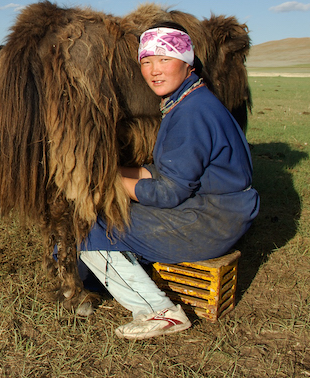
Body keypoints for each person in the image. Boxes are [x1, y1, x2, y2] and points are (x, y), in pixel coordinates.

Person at [79, 22, 260, 340]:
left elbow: (167, 191)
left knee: (93, 227)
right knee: (107, 217)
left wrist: (107, 183)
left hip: (211, 220)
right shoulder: (189, 101)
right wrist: (111, 172)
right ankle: (101, 279)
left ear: (187, 62)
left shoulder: (191, 114)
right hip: (217, 207)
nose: (153, 70)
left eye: (165, 59)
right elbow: (170, 171)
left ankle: (159, 311)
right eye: (147, 61)